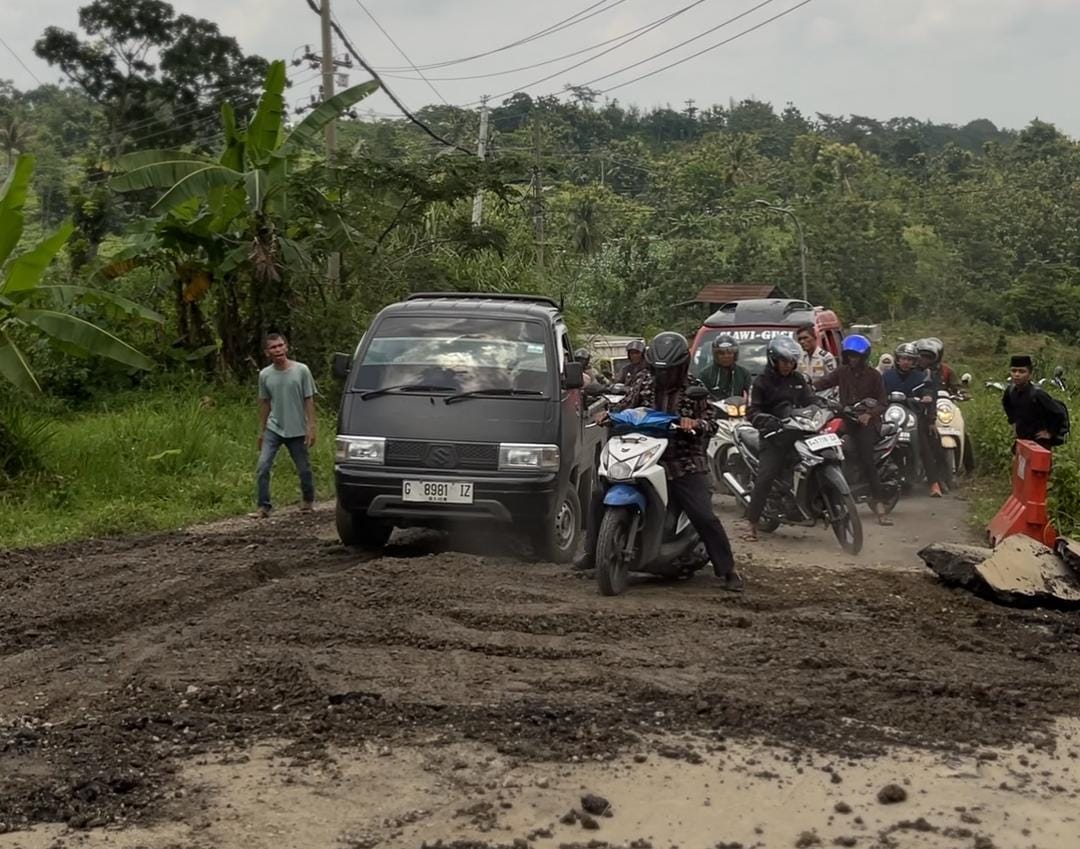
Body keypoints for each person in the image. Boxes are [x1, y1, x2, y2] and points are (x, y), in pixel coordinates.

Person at [576, 332, 743, 591]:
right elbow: (626, 406)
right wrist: (607, 415)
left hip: (682, 459)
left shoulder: (693, 388)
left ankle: (728, 570)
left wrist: (696, 423)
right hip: (641, 453)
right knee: (599, 494)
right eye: (659, 370)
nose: (663, 376)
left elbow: (710, 421)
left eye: (669, 371)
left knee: (703, 514)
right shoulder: (642, 382)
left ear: (681, 367)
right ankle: (591, 553)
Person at [814, 334, 893, 525]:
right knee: (821, 447)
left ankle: (880, 506)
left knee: (867, 459)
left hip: (867, 424)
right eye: (850, 356)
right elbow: (823, 383)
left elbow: (883, 402)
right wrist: (805, 387)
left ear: (864, 357)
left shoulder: (874, 375)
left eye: (856, 356)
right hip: (845, 420)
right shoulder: (842, 372)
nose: (853, 359)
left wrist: (869, 414)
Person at [744, 335, 816, 542]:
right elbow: (752, 411)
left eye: (792, 362)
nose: (788, 365)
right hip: (773, 437)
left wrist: (822, 406)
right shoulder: (761, 382)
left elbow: (809, 401)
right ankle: (752, 524)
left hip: (798, 432)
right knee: (765, 477)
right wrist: (765, 420)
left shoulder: (798, 379)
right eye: (785, 361)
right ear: (773, 360)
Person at [252, 333, 317, 518]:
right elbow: (265, 403)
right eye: (273, 347)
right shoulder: (265, 375)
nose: (278, 350)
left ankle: (308, 500)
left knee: (303, 468)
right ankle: (264, 506)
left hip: (297, 428)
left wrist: (311, 427)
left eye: (281, 345)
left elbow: (309, 399)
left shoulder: (301, 370)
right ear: (267, 352)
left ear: (286, 347)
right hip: (274, 427)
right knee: (263, 465)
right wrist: (262, 431)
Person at [884, 342, 944, 497]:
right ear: (897, 359)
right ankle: (873, 482)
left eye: (910, 359)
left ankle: (934, 483)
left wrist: (927, 399)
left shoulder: (921, 377)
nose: (906, 362)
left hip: (914, 417)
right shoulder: (886, 376)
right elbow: (877, 393)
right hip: (889, 416)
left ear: (914, 361)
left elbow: (929, 391)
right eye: (903, 358)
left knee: (924, 446)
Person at [1002, 355, 1069, 450]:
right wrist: (1013, 423)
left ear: (1030, 374)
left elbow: (1058, 413)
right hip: (1021, 440)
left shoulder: (1037, 394)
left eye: (1022, 371)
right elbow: (1006, 405)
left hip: (1039, 443)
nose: (1017, 374)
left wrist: (1050, 432)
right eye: (1014, 371)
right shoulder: (1010, 391)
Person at [699, 335, 751, 400]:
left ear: (735, 354)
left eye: (729, 353)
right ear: (716, 355)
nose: (726, 356)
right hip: (713, 409)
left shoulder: (744, 373)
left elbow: (750, 396)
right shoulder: (705, 374)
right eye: (721, 353)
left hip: (738, 408)